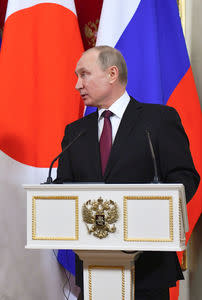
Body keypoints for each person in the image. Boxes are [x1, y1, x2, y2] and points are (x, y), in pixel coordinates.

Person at [55, 46, 200, 300]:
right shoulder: (75, 132)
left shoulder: (158, 120)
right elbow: (64, 187)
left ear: (112, 74)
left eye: (84, 74)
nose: (78, 84)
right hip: (93, 268)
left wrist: (153, 213)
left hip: (148, 267)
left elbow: (184, 176)